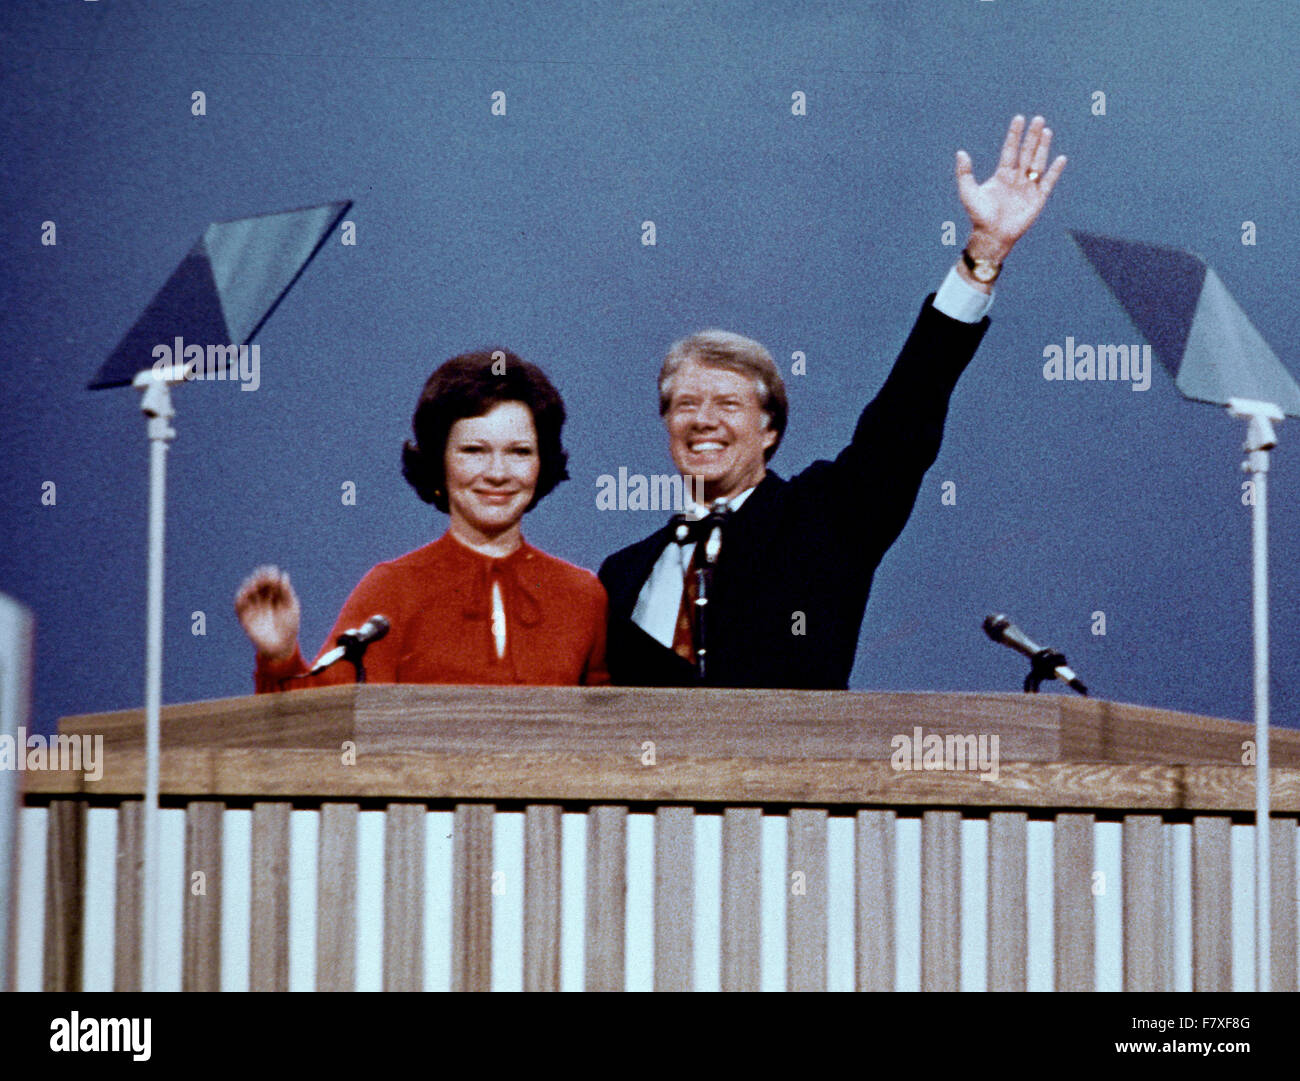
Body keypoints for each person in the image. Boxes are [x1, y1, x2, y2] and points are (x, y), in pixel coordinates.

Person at [598, 115, 1067, 689]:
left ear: (770, 428)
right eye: (685, 405)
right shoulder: (620, 576)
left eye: (728, 404)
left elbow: (903, 420)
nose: (704, 421)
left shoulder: (825, 522)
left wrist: (983, 254)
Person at [236, 351, 609, 690]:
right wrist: (280, 656)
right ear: (439, 461)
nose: (498, 473)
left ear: (542, 463)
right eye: (474, 451)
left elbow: (614, 736)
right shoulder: (392, 589)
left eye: (519, 452)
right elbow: (324, 727)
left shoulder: (584, 596)